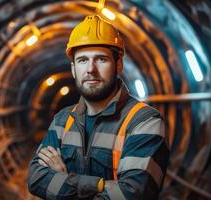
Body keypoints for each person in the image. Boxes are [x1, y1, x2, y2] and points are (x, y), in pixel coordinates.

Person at [27, 15, 170, 200]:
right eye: (82, 60)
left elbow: (133, 194)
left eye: (101, 59)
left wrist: (63, 180)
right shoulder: (62, 121)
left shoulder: (144, 122)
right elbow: (36, 179)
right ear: (73, 69)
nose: (90, 69)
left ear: (118, 65)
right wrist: (100, 185)